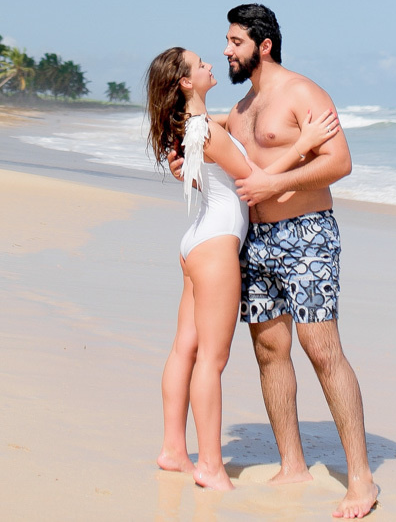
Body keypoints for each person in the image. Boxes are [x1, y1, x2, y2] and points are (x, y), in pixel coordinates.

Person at [168, 3, 379, 520]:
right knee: (269, 350)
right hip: (256, 241)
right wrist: (183, 158)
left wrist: (277, 182)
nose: (225, 50)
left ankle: (361, 478)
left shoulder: (303, 93)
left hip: (307, 235)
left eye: (234, 42)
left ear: (262, 46)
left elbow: (340, 162)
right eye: (225, 41)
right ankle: (292, 463)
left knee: (321, 347)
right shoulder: (240, 109)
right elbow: (201, 130)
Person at [146, 46, 339, 491]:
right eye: (200, 65)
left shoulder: (198, 127)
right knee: (211, 360)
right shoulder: (206, 132)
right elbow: (253, 179)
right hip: (215, 247)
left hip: (197, 241)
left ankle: (174, 449)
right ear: (185, 83)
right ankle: (210, 465)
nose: (212, 63)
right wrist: (304, 146)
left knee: (184, 350)